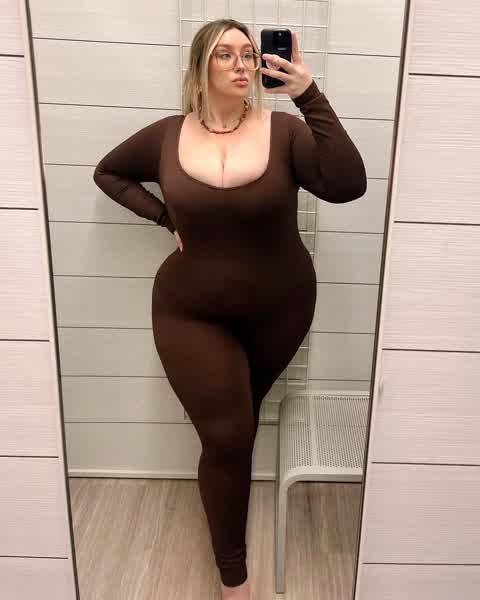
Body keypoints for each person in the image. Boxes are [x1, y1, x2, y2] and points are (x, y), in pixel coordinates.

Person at [93, 18, 366, 600]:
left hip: (280, 309)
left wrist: (308, 94)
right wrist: (164, 217)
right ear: (200, 65)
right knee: (227, 437)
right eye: (225, 54)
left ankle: (228, 511)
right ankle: (234, 579)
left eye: (248, 54)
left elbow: (348, 185)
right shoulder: (167, 135)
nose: (241, 64)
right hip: (190, 311)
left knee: (236, 428)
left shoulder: (284, 132)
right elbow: (107, 172)